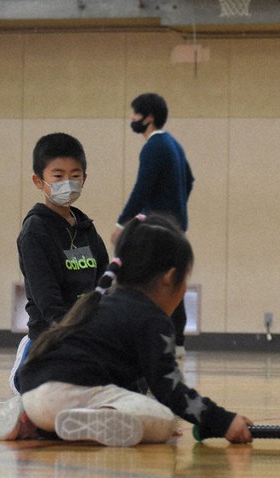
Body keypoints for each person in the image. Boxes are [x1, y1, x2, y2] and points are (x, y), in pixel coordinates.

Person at [0, 214, 253, 446]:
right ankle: (86, 423)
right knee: (163, 419)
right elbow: (169, 388)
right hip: (67, 396)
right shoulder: (152, 320)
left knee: (129, 403)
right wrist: (222, 421)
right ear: (170, 277)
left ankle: (30, 420)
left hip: (33, 392)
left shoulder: (98, 301)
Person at [10, 133, 109, 394]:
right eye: (58, 175)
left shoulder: (87, 229)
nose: (68, 182)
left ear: (84, 178)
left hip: (88, 334)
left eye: (75, 175)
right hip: (52, 337)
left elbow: (104, 283)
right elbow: (48, 302)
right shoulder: (35, 232)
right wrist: (76, 338)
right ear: (39, 180)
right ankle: (26, 367)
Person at [111, 93, 194, 358]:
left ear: (149, 118)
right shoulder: (174, 144)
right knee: (172, 278)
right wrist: (176, 208)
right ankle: (177, 341)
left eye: (135, 114)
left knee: (147, 279)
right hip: (175, 225)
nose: (132, 119)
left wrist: (121, 223)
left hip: (157, 228)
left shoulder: (153, 147)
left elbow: (141, 188)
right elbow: (189, 180)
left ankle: (147, 338)